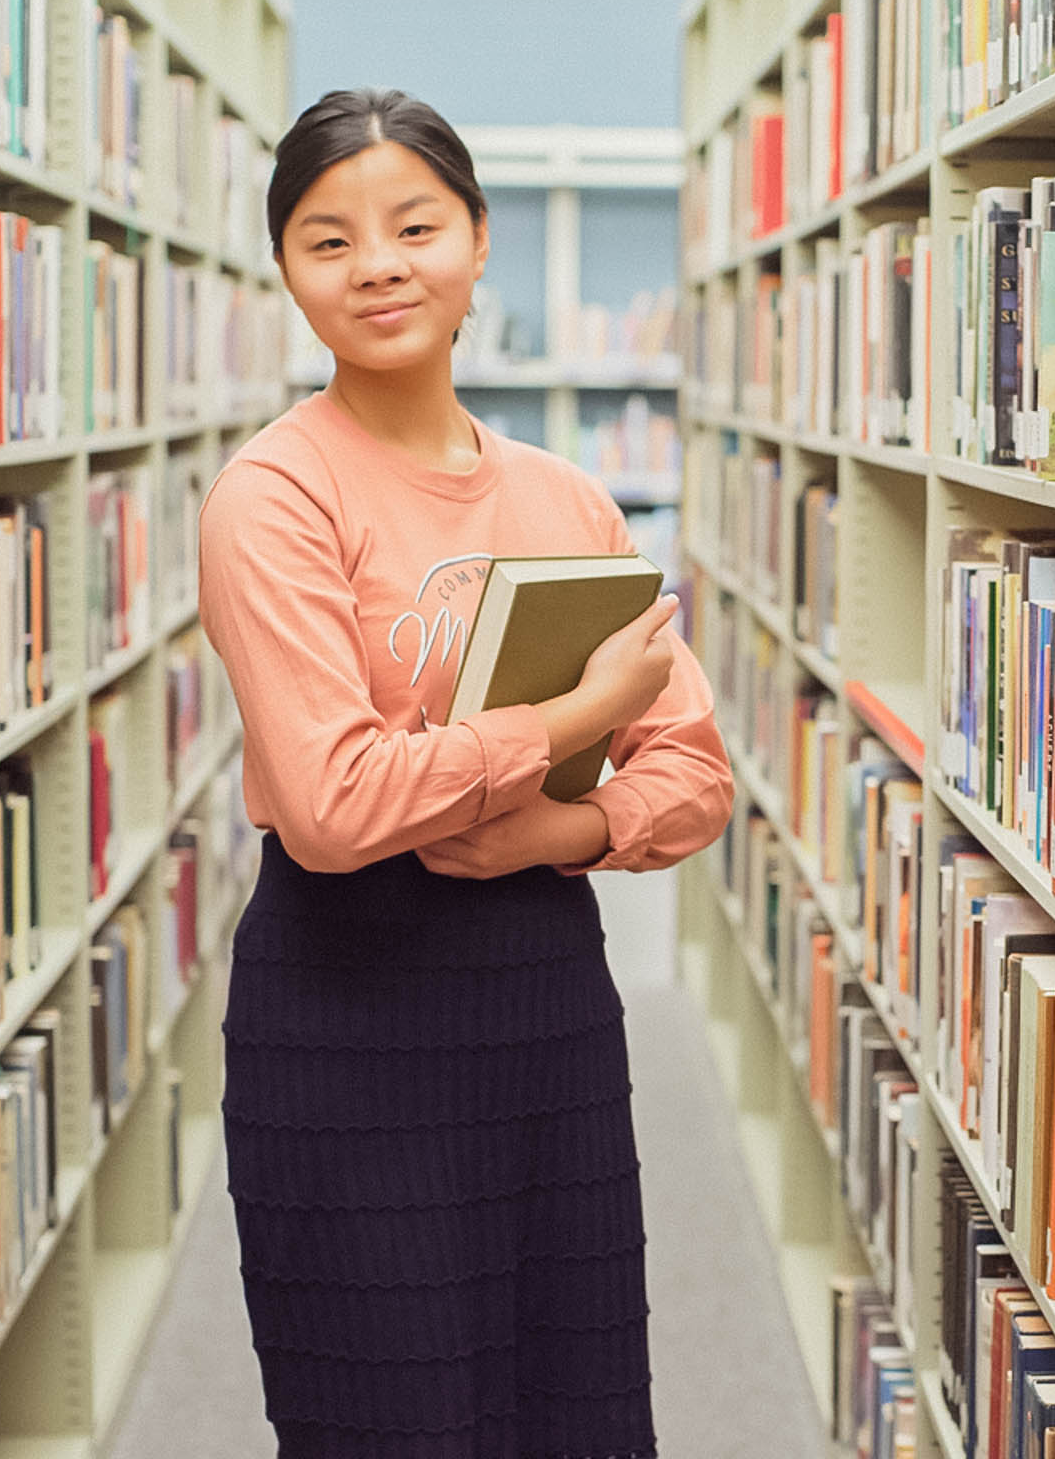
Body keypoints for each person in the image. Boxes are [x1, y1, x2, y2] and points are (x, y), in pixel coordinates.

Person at [196, 86, 733, 1459]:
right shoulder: (274, 497)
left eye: (415, 224)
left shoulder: (568, 502)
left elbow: (693, 775)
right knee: (389, 1417)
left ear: (478, 240)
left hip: (543, 1006)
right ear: (286, 274)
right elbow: (329, 807)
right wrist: (564, 723)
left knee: (577, 1408)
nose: (379, 264)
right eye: (329, 239)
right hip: (345, 1009)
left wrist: (555, 836)